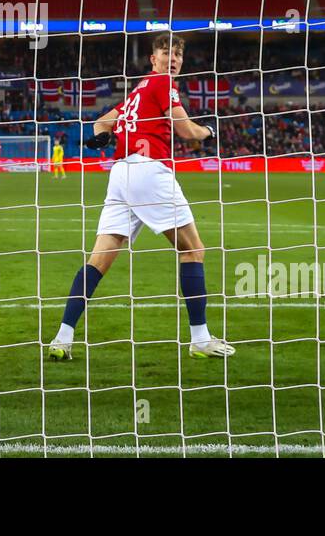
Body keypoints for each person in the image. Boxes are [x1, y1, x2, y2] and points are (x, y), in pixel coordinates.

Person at [47, 32, 233, 362]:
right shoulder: (162, 83)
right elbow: (187, 131)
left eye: (177, 54)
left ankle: (63, 337)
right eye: (166, 52)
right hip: (148, 170)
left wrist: (103, 138)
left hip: (121, 175)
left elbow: (101, 123)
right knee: (193, 250)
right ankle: (200, 338)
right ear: (154, 58)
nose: (173, 59)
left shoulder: (137, 92)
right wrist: (210, 131)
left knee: (99, 259)